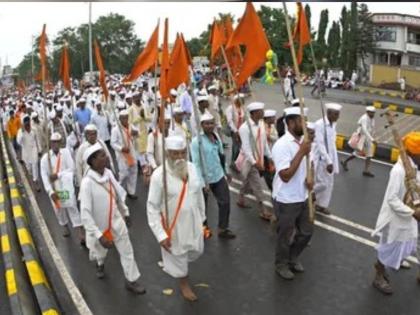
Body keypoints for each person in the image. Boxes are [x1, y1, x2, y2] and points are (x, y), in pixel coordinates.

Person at [79, 143, 146, 294]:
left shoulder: (108, 173)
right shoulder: (87, 183)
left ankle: (131, 280)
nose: (106, 156)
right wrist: (99, 235)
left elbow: (118, 194)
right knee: (100, 252)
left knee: (127, 250)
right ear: (93, 161)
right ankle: (100, 263)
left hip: (116, 220)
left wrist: (125, 213)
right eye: (102, 155)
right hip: (99, 227)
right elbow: (85, 213)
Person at [147, 136, 206, 301]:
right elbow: (152, 207)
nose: (180, 158)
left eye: (183, 153)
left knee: (196, 250)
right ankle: (183, 282)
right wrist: (161, 235)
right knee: (178, 255)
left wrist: (202, 218)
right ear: (167, 154)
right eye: (175, 154)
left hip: (194, 221)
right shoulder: (159, 176)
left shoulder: (192, 168)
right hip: (174, 226)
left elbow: (198, 192)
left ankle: (178, 267)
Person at [371, 131, 420, 295]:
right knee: (388, 246)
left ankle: (389, 264)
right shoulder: (398, 171)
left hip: (407, 216)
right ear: (413, 153)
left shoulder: (414, 168)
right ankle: (379, 274)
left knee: (406, 244)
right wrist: (412, 213)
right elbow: (392, 199)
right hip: (394, 219)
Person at [271, 107, 314, 280]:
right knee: (285, 235)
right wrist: (301, 152)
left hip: (303, 195)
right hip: (286, 198)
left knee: (306, 232)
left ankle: (292, 257)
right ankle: (281, 264)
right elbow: (286, 175)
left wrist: (311, 179)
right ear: (290, 123)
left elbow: (309, 165)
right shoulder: (281, 145)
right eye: (301, 120)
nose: (305, 124)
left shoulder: (304, 142)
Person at [191, 113, 235, 239]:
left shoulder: (216, 138)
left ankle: (223, 228)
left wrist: (226, 171)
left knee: (225, 202)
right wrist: (202, 182)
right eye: (207, 123)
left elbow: (221, 156)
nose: (210, 126)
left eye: (212, 123)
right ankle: (203, 229)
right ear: (202, 125)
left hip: (218, 175)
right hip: (205, 179)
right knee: (202, 206)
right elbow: (196, 164)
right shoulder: (196, 142)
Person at [40, 133, 84, 242]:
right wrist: (50, 192)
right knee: (59, 209)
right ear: (50, 143)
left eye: (57, 142)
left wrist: (58, 175)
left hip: (67, 187)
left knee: (72, 206)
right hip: (55, 190)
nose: (55, 144)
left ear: (60, 142)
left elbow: (72, 169)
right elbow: (44, 177)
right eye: (53, 142)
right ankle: (64, 226)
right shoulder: (46, 159)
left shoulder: (66, 153)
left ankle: (79, 231)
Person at [235, 102, 273, 221]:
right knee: (257, 185)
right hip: (249, 161)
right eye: (260, 111)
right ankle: (263, 211)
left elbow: (264, 143)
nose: (263, 113)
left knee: (247, 181)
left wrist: (269, 157)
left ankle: (241, 197)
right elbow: (246, 148)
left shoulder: (261, 124)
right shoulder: (245, 128)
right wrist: (255, 162)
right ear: (254, 113)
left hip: (259, 159)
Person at [313, 103, 342, 215]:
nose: (338, 117)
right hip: (322, 158)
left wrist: (333, 160)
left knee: (330, 183)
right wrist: (328, 161)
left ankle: (322, 205)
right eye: (336, 114)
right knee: (322, 183)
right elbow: (320, 144)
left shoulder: (333, 124)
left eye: (338, 114)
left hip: (331, 156)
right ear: (329, 113)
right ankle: (307, 195)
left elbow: (332, 143)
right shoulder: (320, 124)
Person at [341, 106, 377, 177]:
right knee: (357, 153)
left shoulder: (372, 119)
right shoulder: (364, 118)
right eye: (371, 113)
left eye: (373, 113)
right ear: (367, 112)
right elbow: (364, 130)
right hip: (362, 138)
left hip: (368, 139)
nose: (373, 114)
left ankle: (366, 170)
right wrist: (372, 139)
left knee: (369, 155)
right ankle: (345, 162)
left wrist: (373, 137)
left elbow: (371, 129)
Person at [111, 110, 139, 199]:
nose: (125, 120)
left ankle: (131, 191)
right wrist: (121, 148)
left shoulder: (131, 126)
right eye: (123, 118)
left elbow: (137, 135)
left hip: (132, 153)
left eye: (126, 117)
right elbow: (113, 143)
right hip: (122, 156)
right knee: (124, 174)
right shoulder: (116, 129)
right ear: (119, 119)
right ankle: (120, 194)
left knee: (133, 172)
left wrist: (136, 133)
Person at [17, 115, 41, 191]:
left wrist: (39, 150)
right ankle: (32, 178)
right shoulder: (20, 131)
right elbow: (19, 142)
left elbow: (37, 140)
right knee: (29, 169)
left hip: (34, 151)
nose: (28, 125)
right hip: (26, 153)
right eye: (26, 124)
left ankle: (36, 183)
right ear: (24, 124)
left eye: (28, 123)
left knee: (35, 166)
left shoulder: (34, 129)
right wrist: (22, 132)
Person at [225, 93, 245, 171]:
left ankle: (238, 162)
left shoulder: (242, 108)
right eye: (240, 100)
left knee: (241, 146)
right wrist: (236, 131)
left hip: (241, 131)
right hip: (235, 131)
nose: (242, 101)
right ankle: (233, 163)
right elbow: (229, 121)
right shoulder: (231, 108)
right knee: (236, 147)